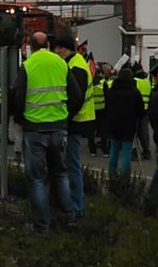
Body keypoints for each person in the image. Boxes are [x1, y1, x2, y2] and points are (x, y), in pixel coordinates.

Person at [11, 32, 83, 235]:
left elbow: (18, 98)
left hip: (34, 129)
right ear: (49, 45)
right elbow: (77, 96)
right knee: (61, 174)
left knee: (37, 179)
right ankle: (68, 217)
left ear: (31, 47)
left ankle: (42, 226)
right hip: (59, 128)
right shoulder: (61, 63)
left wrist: (21, 119)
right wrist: (65, 116)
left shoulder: (27, 66)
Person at [54, 33, 94, 220]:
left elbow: (76, 98)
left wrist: (63, 117)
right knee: (70, 165)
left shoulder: (76, 66)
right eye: (56, 47)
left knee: (71, 166)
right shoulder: (72, 63)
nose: (58, 51)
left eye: (61, 48)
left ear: (70, 48)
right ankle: (74, 205)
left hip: (74, 122)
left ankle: (76, 207)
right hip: (75, 121)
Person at [105, 67, 144, 176]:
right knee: (126, 153)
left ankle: (112, 175)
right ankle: (124, 178)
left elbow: (107, 108)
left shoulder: (111, 91)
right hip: (128, 126)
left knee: (114, 152)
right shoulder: (135, 92)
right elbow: (140, 111)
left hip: (114, 126)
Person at [89, 63, 111, 157]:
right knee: (103, 131)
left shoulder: (89, 83)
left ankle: (92, 150)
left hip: (91, 111)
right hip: (103, 111)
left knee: (91, 132)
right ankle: (104, 150)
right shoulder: (103, 83)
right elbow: (107, 97)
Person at [134, 65, 153, 160]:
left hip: (135, 110)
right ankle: (147, 151)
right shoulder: (148, 82)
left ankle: (135, 152)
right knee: (144, 132)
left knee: (135, 132)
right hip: (145, 111)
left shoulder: (135, 81)